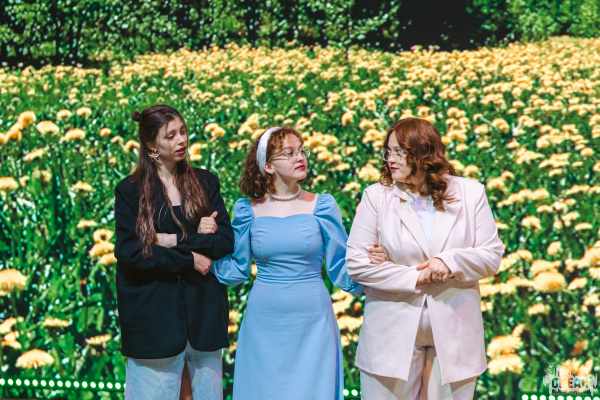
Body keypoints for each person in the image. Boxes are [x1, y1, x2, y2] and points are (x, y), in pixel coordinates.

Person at [211, 127, 386, 400]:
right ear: (268, 165)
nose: (300, 157)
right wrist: (205, 251)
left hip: (313, 320)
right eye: (289, 153)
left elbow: (341, 266)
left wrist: (372, 266)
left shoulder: (323, 206)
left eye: (301, 151)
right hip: (263, 322)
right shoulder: (247, 210)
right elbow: (236, 268)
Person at [346, 118, 504, 400]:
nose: (390, 159)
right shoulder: (376, 196)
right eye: (388, 151)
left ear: (425, 153)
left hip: (456, 329)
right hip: (390, 330)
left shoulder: (470, 192)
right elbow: (357, 263)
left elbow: (490, 255)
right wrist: (417, 275)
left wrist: (449, 261)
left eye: (400, 152)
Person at [114, 105, 234, 400]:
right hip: (153, 320)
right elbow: (133, 255)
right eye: (170, 136)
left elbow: (224, 242)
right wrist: (191, 254)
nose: (181, 140)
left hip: (204, 316)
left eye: (183, 131)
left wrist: (168, 241)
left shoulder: (206, 182)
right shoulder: (130, 191)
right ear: (151, 145)